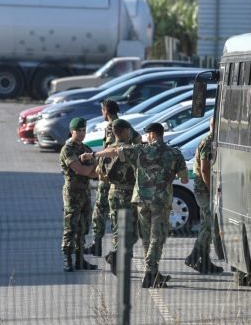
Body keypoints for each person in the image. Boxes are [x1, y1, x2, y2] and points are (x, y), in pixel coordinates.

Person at [82, 122, 188, 288]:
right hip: (161, 201)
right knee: (157, 237)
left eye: (147, 134)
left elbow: (115, 151)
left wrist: (93, 154)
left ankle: (152, 273)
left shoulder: (140, 150)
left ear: (152, 135)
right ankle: (151, 272)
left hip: (141, 201)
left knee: (147, 238)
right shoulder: (174, 154)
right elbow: (184, 179)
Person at [102, 118, 142, 275]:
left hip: (113, 192)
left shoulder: (107, 150)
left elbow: (101, 175)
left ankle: (117, 257)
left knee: (118, 228)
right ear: (125, 131)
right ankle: (119, 260)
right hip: (128, 193)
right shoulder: (130, 150)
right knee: (130, 230)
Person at [184, 118, 224, 274]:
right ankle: (195, 257)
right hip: (204, 191)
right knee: (208, 226)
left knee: (207, 226)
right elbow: (205, 169)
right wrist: (211, 189)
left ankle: (203, 260)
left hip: (204, 190)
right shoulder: (208, 142)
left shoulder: (212, 140)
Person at [59, 117, 99, 272]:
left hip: (84, 191)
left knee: (83, 227)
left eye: (84, 130)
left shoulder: (86, 148)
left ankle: (79, 259)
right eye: (79, 131)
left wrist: (90, 165)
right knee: (71, 226)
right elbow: (80, 170)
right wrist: (92, 165)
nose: (82, 133)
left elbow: (96, 174)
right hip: (72, 192)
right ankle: (67, 259)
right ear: (72, 131)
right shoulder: (67, 149)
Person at [84, 99, 121, 257]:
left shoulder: (112, 126)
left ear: (105, 110)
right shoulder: (123, 124)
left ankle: (98, 245)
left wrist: (97, 164)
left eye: (102, 110)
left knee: (101, 210)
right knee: (115, 212)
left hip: (109, 176)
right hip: (118, 176)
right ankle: (116, 248)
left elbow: (112, 150)